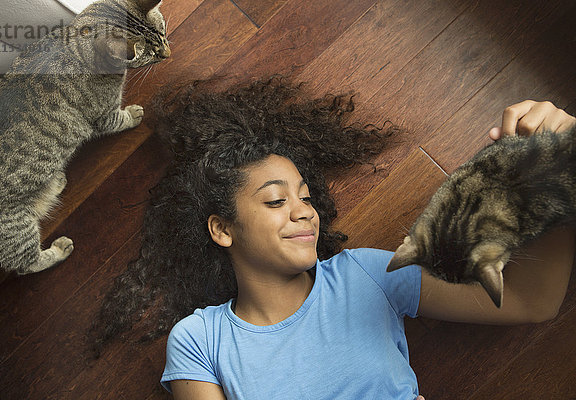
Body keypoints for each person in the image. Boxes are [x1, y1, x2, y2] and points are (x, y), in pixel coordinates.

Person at [94, 79, 576, 399]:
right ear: (222, 229)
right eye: (276, 200)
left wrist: (561, 174)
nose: (305, 209)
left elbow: (530, 301)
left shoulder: (366, 276)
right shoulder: (200, 343)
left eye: (305, 196)